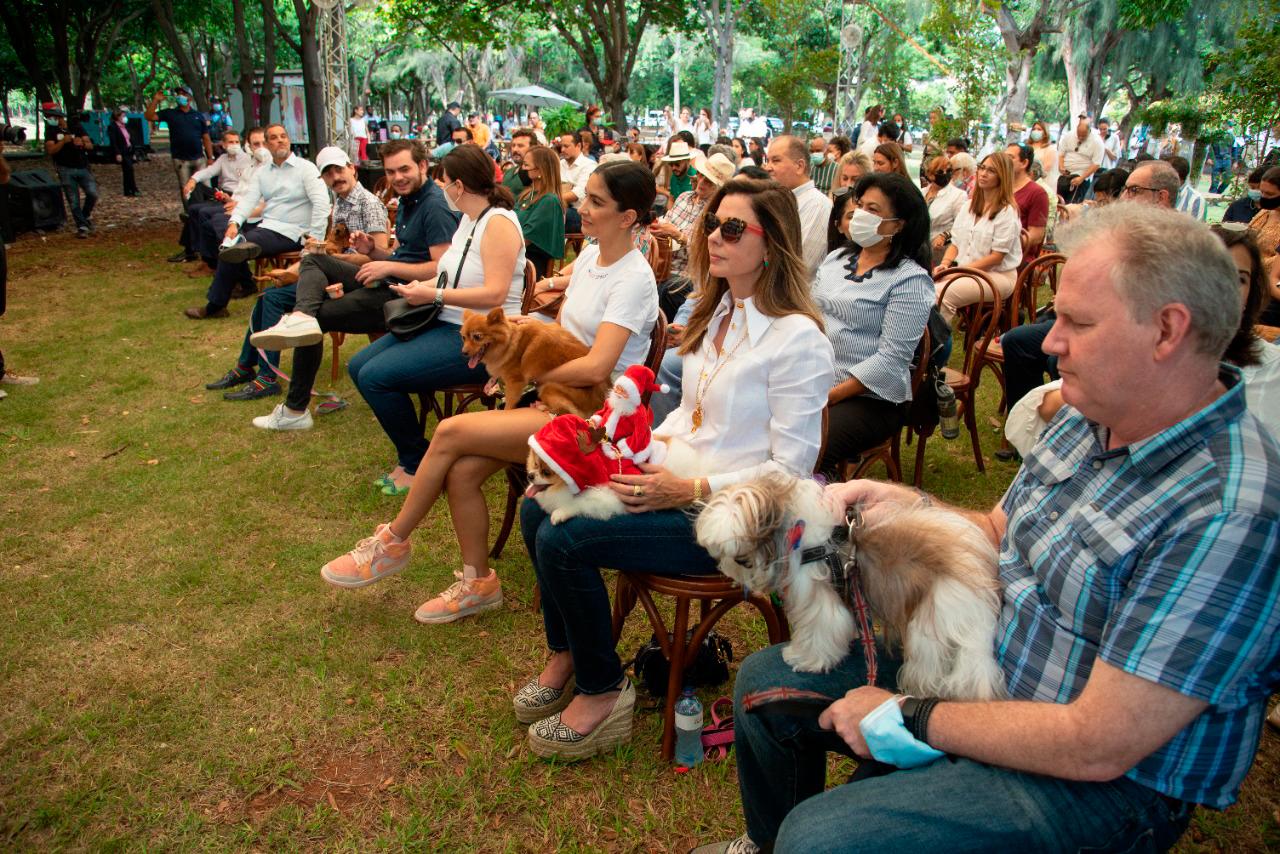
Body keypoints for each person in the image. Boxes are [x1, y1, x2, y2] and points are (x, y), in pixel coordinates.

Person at [699, 202, 1280, 854]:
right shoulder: (1091, 414)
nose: (1049, 340)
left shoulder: (1228, 511)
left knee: (822, 837)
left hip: (1098, 779)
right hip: (983, 664)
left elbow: (1100, 742)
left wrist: (913, 715)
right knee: (764, 688)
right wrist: (901, 500)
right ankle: (768, 843)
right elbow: (995, 529)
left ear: (1168, 331)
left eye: (1077, 322)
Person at [518, 176, 834, 760]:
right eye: (714, 223)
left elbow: (793, 471)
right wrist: (614, 444)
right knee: (537, 505)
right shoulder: (718, 316)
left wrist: (688, 487)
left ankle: (602, 691)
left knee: (571, 537)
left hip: (738, 516)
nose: (714, 235)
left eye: (733, 227)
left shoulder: (798, 339)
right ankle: (568, 652)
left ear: (774, 244)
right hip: (678, 481)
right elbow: (688, 418)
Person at [320, 161, 660, 629]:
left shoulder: (633, 278)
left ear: (628, 217)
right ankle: (478, 583)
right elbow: (567, 334)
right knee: (460, 472)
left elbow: (599, 365)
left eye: (596, 202)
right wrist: (524, 332)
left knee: (450, 430)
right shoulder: (592, 257)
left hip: (596, 419)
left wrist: (526, 372)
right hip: (560, 397)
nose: (581, 207)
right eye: (586, 196)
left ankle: (392, 541)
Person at [208, 139, 456, 401]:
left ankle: (291, 402)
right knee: (303, 272)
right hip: (384, 279)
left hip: (408, 296)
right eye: (391, 172)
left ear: (423, 165)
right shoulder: (405, 199)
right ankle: (288, 333)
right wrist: (372, 251)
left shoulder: (433, 204)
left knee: (313, 315)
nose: (398, 177)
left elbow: (441, 271)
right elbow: (398, 255)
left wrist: (382, 263)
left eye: (404, 169)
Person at [338, 142, 525, 489]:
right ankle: (418, 456)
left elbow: (496, 293)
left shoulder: (498, 223)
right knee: (359, 366)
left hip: (484, 339)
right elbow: (450, 273)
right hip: (450, 322)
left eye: (444, 182)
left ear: (459, 186)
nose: (441, 189)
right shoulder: (471, 219)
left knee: (377, 376)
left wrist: (433, 293)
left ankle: (416, 463)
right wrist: (417, 287)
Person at [242, 147, 392, 429]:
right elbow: (329, 250)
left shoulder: (367, 203)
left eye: (339, 170)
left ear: (353, 169)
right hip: (340, 277)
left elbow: (380, 256)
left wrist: (329, 259)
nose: (335, 177)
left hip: (369, 279)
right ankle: (255, 369)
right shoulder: (340, 205)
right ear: (323, 179)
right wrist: (301, 266)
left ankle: (277, 388)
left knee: (305, 294)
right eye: (328, 173)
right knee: (278, 301)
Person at [813, 173, 934, 475]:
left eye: (874, 210)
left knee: (813, 443)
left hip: (869, 397)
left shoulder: (909, 279)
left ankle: (820, 516)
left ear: (898, 224)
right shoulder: (837, 259)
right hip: (815, 375)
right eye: (861, 206)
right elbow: (809, 314)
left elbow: (891, 360)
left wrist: (829, 396)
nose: (861, 215)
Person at [184, 124, 329, 320]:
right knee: (231, 244)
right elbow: (247, 201)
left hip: (295, 232)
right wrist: (234, 223)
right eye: (274, 138)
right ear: (268, 145)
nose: (280, 140)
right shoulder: (263, 172)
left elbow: (322, 204)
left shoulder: (306, 168)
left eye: (283, 136)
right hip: (267, 227)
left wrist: (315, 240)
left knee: (236, 248)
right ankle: (224, 298)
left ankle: (216, 304)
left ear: (288, 140)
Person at [933, 152, 1022, 321]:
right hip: (967, 270)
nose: (983, 173)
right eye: (982, 168)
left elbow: (997, 257)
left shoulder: (1007, 211)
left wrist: (959, 273)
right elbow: (956, 243)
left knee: (941, 294)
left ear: (1002, 176)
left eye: (991, 170)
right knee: (925, 287)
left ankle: (937, 343)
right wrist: (945, 265)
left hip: (999, 276)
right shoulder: (968, 206)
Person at [650, 152, 736, 317]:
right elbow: (665, 222)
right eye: (701, 175)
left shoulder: (716, 213)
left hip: (688, 273)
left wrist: (678, 235)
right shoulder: (684, 197)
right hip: (663, 264)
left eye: (709, 181)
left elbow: (705, 254)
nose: (701, 182)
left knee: (664, 289)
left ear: (719, 188)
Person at [763, 135, 833, 278]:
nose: (768, 167)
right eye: (767, 161)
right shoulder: (778, 200)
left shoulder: (818, 205)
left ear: (799, 166)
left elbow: (801, 265)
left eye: (776, 161)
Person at [145, 87, 213, 211]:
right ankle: (189, 213)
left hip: (199, 158)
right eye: (178, 94)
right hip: (181, 160)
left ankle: (210, 211)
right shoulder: (170, 113)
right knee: (186, 188)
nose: (180, 96)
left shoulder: (198, 116)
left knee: (206, 187)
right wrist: (155, 100)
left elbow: (206, 137)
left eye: (184, 93)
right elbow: (149, 116)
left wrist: (210, 157)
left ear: (190, 97)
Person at [42, 102, 98, 239]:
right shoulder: (50, 131)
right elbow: (50, 150)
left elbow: (90, 145)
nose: (51, 119)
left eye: (53, 117)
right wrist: (63, 142)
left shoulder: (76, 127)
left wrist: (82, 143)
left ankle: (84, 217)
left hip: (82, 166)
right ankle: (82, 226)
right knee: (73, 200)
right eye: (48, 117)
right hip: (64, 168)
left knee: (93, 193)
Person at [515, 145, 566, 278]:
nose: (522, 169)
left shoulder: (549, 201)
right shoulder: (526, 194)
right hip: (515, 258)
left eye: (526, 165)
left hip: (527, 267)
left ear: (540, 171)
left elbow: (525, 239)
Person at [183, 129, 255, 205]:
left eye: (237, 142)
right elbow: (209, 171)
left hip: (236, 195)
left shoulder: (247, 159)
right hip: (222, 192)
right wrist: (193, 179)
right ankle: (194, 210)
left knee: (202, 209)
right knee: (197, 187)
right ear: (224, 144)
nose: (234, 145)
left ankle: (198, 210)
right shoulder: (223, 158)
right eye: (231, 142)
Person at [1005, 142, 1050, 257]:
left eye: (1010, 158)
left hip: (1017, 256)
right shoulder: (999, 187)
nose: (1004, 161)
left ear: (1024, 163)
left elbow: (1036, 236)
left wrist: (1002, 246)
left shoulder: (1037, 193)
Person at [1250, 166, 1280, 324]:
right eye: (1262, 192)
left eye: (1269, 194)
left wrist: (1252, 261)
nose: (1263, 197)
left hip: (1267, 290)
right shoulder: (1265, 212)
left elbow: (1275, 272)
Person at [923, 155, 966, 264]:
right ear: (930, 174)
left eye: (949, 170)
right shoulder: (922, 192)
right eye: (940, 171)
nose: (946, 174)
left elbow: (961, 225)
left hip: (940, 251)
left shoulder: (958, 195)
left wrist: (944, 235)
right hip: (918, 248)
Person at [1057, 113, 1104, 203]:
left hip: (1081, 177)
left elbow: (1096, 164)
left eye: (1083, 136)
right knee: (1059, 201)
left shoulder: (1097, 142)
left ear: (1089, 131)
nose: (1080, 138)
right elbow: (1061, 153)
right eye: (1079, 135)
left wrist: (1082, 178)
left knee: (1071, 205)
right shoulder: (1069, 135)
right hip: (1065, 175)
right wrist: (1061, 166)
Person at [559, 132, 598, 233]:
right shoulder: (559, 164)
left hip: (580, 213)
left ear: (579, 145)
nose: (562, 150)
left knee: (549, 214)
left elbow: (577, 194)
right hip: (560, 207)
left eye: (566, 146)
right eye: (561, 146)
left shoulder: (589, 165)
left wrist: (551, 200)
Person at [106, 109, 140, 197]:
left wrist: (134, 152)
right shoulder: (113, 127)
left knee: (128, 171)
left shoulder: (125, 126)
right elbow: (113, 141)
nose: (125, 118)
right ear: (117, 117)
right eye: (123, 116)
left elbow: (130, 139)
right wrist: (117, 153)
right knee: (129, 169)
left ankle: (128, 190)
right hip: (122, 152)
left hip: (129, 150)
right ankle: (132, 189)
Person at [1164, 155, 1206, 221]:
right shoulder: (1155, 191)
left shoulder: (1195, 199)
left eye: (1163, 174)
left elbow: (1195, 229)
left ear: (1176, 177)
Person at [502, 128, 537, 196]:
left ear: (533, 148)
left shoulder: (535, 174)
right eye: (513, 145)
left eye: (520, 146)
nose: (515, 149)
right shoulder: (508, 172)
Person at [1027, 119, 1059, 194]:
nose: (1036, 131)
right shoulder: (1028, 147)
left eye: (1039, 129)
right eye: (1034, 129)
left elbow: (1046, 168)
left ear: (1045, 132)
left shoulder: (1050, 149)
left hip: (1043, 184)